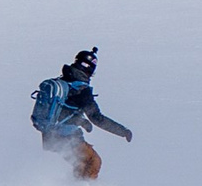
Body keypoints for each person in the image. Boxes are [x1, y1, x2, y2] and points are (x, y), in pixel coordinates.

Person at [31, 47, 131, 179]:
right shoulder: (81, 90)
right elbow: (97, 118)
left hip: (49, 136)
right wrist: (123, 131)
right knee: (93, 162)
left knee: (80, 166)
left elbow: (64, 109)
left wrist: (81, 121)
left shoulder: (63, 81)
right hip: (67, 138)